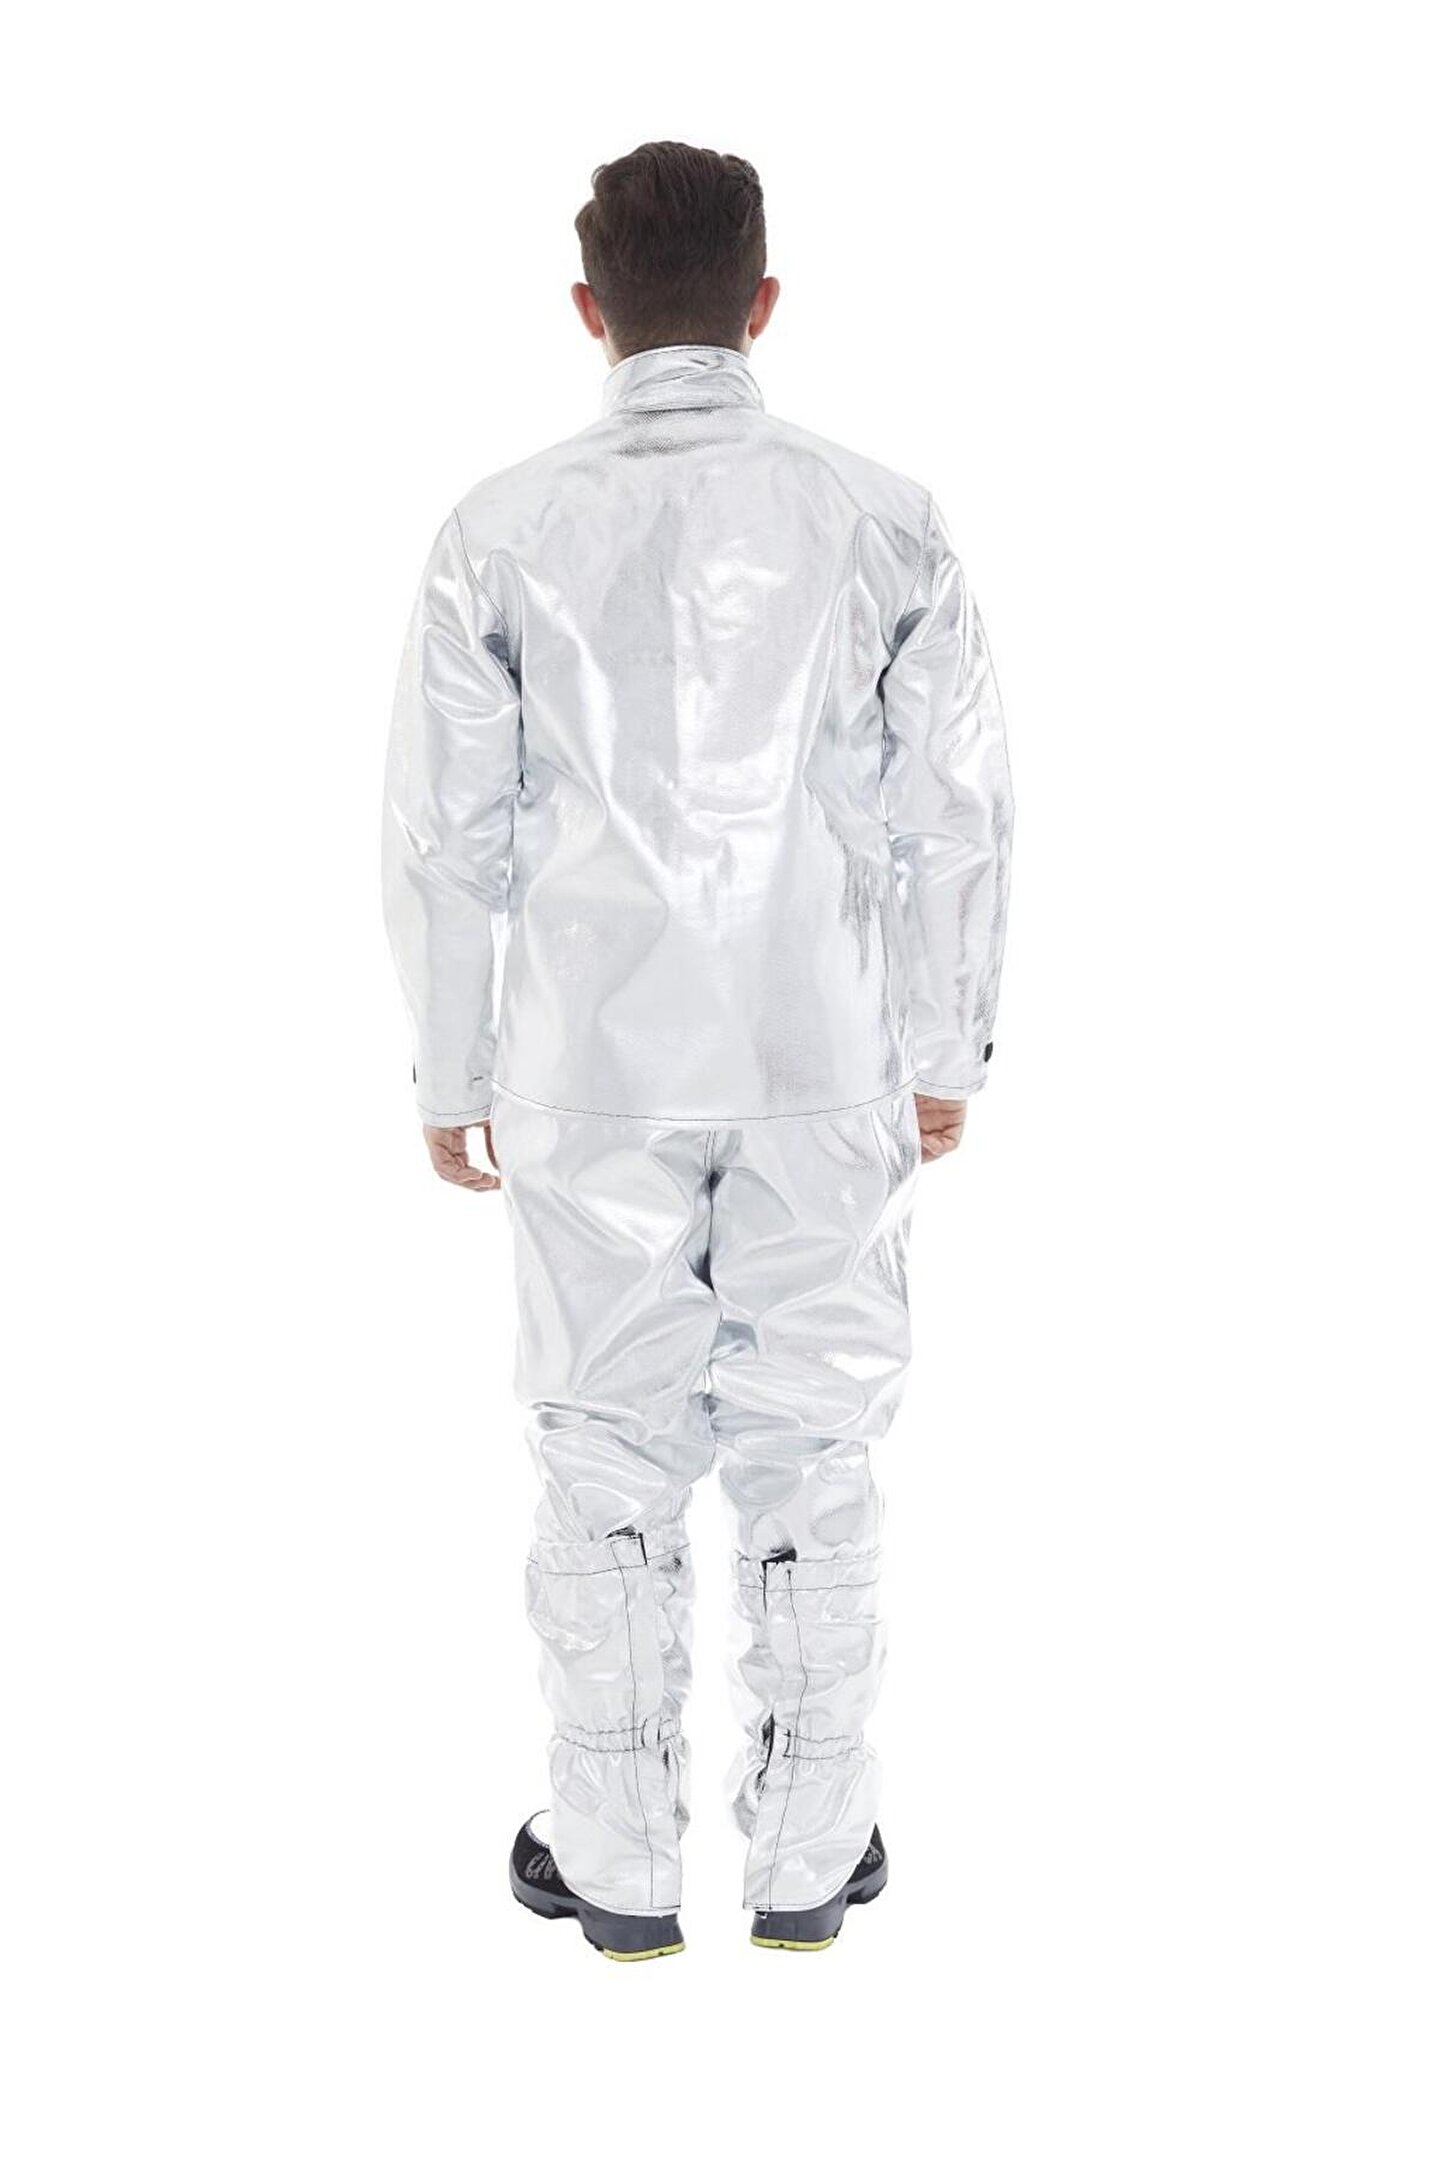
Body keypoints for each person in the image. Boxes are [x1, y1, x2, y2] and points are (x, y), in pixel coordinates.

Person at [382, 140, 1014, 1961]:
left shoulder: (497, 528)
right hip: (824, 1049)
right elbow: (956, 809)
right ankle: (813, 1857)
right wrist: (947, 1042)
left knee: (606, 1449)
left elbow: (447, 835)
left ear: (589, 312)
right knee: (818, 1443)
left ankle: (617, 1867)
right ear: (765, 302)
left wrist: (450, 1070)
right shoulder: (885, 517)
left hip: (588, 1066)